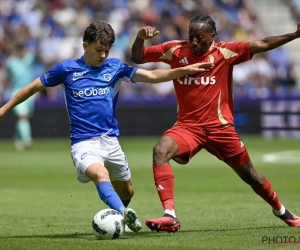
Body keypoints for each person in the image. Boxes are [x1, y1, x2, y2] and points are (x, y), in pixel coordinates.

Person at [0, 21, 213, 233]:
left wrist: (184, 70)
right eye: (98, 50)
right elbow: (31, 88)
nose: (103, 55)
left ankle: (119, 215)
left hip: (111, 142)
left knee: (127, 190)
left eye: (107, 50)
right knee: (100, 175)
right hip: (83, 143)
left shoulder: (114, 67)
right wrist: (3, 110)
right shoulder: (66, 70)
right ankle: (125, 214)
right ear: (85, 46)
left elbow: (151, 76)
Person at [131, 15, 300, 232]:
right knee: (160, 151)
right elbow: (138, 57)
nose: (193, 42)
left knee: (251, 176)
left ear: (212, 36)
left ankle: (281, 210)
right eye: (191, 36)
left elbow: (262, 44)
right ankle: (170, 215)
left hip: (221, 130)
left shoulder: (225, 52)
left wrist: (294, 35)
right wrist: (139, 38)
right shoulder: (175, 50)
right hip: (188, 127)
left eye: (199, 37)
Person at [6, 43, 36, 150]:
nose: (22, 52)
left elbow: (38, 54)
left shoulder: (29, 58)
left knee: (25, 118)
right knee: (22, 116)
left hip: (30, 92)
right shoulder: (11, 62)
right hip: (17, 92)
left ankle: (17, 139)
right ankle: (27, 140)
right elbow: (8, 76)